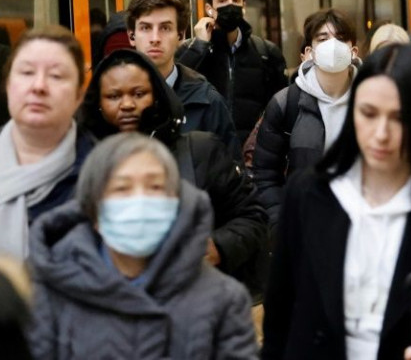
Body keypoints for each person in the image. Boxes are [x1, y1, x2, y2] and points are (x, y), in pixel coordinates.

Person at [261, 44, 411, 360]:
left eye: (399, 118)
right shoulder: (308, 194)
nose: (381, 134)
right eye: (368, 113)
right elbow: (279, 320)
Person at [27, 133, 258, 359]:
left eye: (155, 187)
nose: (140, 202)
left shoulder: (223, 300)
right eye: (122, 189)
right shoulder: (52, 294)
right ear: (93, 210)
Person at [78, 48, 267, 286]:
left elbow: (252, 216)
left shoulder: (200, 150)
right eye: (114, 96)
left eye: (139, 93)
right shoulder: (84, 162)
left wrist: (218, 247)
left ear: (157, 96)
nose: (127, 104)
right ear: (98, 104)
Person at [0, 26, 95, 259]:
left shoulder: (107, 179)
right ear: (8, 85)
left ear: (78, 96)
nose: (39, 86)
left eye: (56, 76)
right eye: (27, 72)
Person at [252, 9, 360, 231]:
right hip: (306, 227)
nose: (332, 45)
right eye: (323, 39)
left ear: (353, 51)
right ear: (310, 51)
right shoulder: (286, 103)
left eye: (340, 39)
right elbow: (265, 174)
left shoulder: (372, 101)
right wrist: (282, 223)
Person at [126, 0, 242, 161]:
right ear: (131, 36)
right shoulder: (113, 100)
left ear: (180, 36)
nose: (155, 38)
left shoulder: (207, 102)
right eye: (145, 28)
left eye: (165, 28)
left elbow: (232, 178)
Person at [176, 0, 287, 144]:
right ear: (209, 8)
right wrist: (199, 46)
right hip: (206, 153)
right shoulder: (190, 50)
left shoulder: (266, 53)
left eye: (236, 0)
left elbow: (280, 110)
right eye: (222, 0)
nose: (230, 5)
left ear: (243, 6)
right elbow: (174, 89)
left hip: (252, 155)